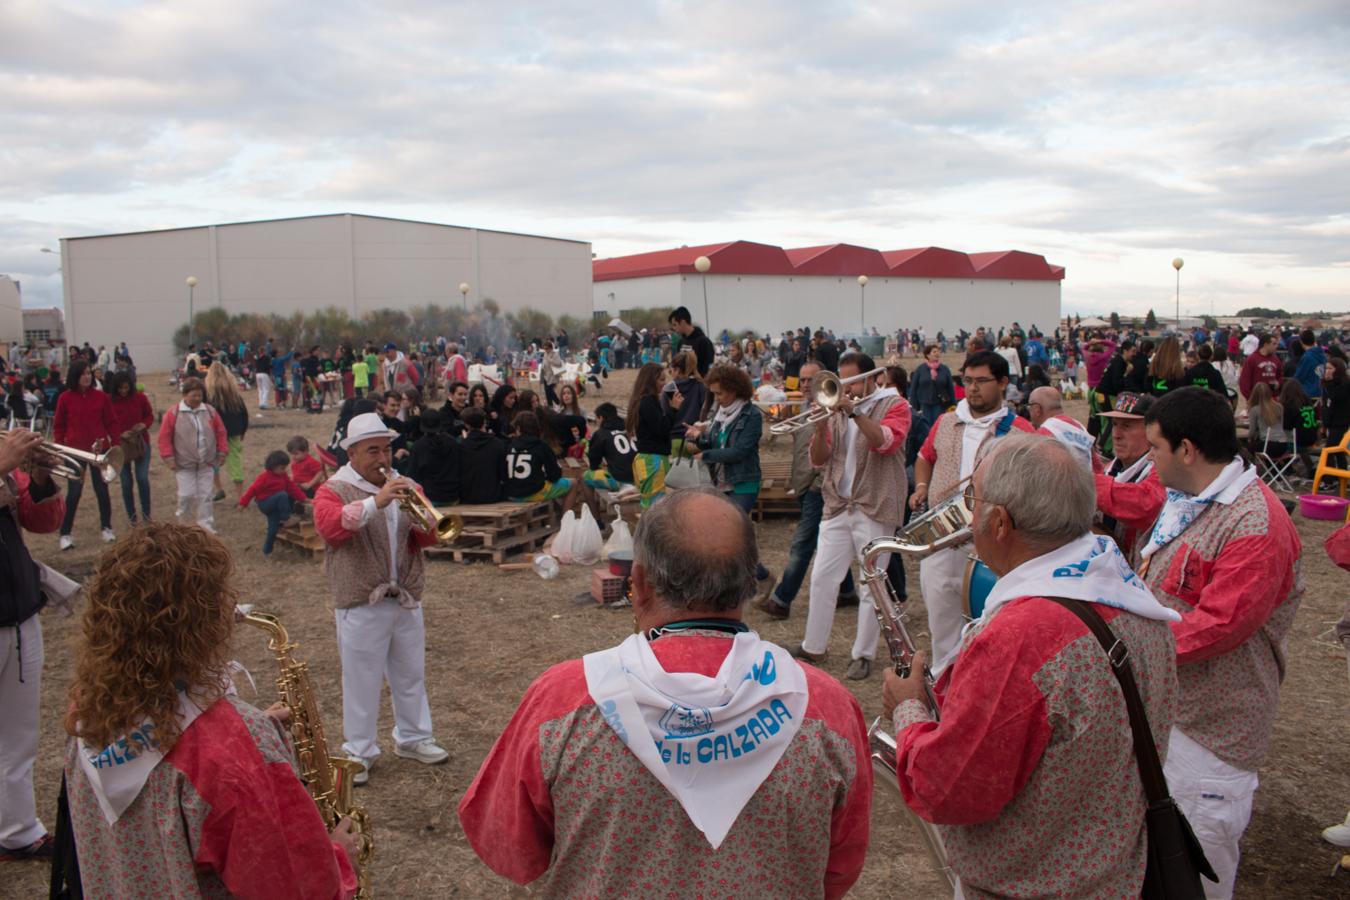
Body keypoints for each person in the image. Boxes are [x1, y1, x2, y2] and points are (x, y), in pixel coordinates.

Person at [458, 489, 872, 896]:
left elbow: (511, 849)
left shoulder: (562, 700)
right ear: (749, 583)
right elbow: (838, 869)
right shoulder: (826, 706)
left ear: (638, 582)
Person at [883, 434, 1181, 897]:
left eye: (972, 500)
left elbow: (947, 790)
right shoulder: (1132, 594)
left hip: (1033, 883)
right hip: (1115, 873)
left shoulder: (1020, 638)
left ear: (1000, 522)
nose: (968, 514)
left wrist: (908, 710)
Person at [60, 523, 360, 897]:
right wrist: (338, 856)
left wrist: (247, 734)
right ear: (204, 619)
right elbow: (294, 887)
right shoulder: (234, 751)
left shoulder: (89, 708)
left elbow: (153, 757)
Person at [1139, 387, 1303, 896]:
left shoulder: (1254, 524)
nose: (1149, 459)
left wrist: (1130, 646)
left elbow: (1218, 626)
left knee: (1194, 875)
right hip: (1175, 716)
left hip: (1212, 738)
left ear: (1187, 450)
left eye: (1155, 448)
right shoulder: (1191, 502)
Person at [312, 412, 449, 784]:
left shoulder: (405, 484)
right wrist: (378, 502)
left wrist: (426, 519)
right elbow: (330, 527)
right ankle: (359, 750)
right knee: (361, 679)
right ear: (352, 453)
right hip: (361, 599)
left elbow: (425, 538)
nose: (383, 459)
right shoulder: (335, 488)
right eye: (373, 451)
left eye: (386, 450)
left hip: (404, 594)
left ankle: (414, 737)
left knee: (410, 674)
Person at [912, 350, 1034, 672]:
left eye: (982, 381)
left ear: (1004, 382)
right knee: (942, 631)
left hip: (993, 550)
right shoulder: (945, 421)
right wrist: (922, 487)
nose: (973, 388)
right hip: (941, 541)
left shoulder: (1022, 431)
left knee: (991, 633)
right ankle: (944, 693)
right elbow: (925, 457)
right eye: (967, 381)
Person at [793, 352, 912, 681]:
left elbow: (885, 442)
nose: (845, 388)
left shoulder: (895, 405)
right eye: (841, 381)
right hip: (838, 504)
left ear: (873, 378)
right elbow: (819, 459)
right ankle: (813, 646)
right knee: (821, 577)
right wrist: (819, 429)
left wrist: (855, 411)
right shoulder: (835, 411)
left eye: (853, 381)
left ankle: (863, 654)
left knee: (871, 584)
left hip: (875, 504)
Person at [0, 429, 63, 864]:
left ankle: (19, 831)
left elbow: (42, 522)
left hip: (18, 611)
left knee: (19, 737)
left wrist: (38, 477)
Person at [754, 362, 857, 620]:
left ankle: (781, 600)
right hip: (803, 484)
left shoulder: (835, 410)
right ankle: (847, 592)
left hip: (818, 488)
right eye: (802, 380)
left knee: (802, 544)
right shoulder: (803, 408)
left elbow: (838, 452)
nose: (806, 384)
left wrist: (817, 483)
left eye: (812, 379)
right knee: (824, 543)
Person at [683, 364, 775, 593]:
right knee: (729, 535)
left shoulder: (751, 415)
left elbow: (740, 451)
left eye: (719, 393)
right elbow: (715, 443)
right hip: (722, 482)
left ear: (734, 389)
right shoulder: (720, 415)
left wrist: (706, 454)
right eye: (714, 393)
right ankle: (754, 577)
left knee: (731, 533)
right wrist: (699, 439)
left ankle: (757, 577)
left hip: (744, 482)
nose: (716, 398)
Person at [52, 359, 115, 549]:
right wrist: (58, 448)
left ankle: (106, 527)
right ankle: (65, 534)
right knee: (74, 493)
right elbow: (59, 426)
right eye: (83, 374)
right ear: (75, 376)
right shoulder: (65, 398)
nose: (87, 377)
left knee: (102, 490)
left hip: (99, 451)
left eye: (89, 373)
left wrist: (116, 445)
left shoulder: (101, 397)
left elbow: (111, 422)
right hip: (75, 452)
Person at [1093, 392, 1164, 556]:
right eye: (1115, 424)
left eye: (1127, 426)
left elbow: (1145, 504)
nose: (1116, 434)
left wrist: (1085, 483)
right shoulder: (1110, 467)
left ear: (1151, 430)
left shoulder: (1161, 470)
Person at [158, 377, 228, 533]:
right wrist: (169, 458)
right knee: (186, 495)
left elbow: (221, 432)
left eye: (200, 395)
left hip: (207, 463)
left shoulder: (210, 411)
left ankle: (206, 525)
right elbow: (164, 437)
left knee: (206, 495)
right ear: (185, 395)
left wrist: (222, 451)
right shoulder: (173, 414)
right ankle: (184, 525)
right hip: (184, 464)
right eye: (194, 395)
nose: (197, 398)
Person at [503, 411, 591, 514]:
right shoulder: (541, 445)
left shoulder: (509, 445)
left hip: (511, 494)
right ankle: (565, 519)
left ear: (518, 429)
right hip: (533, 492)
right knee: (573, 483)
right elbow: (554, 475)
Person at [626, 362, 684, 508]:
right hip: (653, 460)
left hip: (648, 459)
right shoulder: (647, 401)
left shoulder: (642, 400)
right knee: (655, 508)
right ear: (650, 381)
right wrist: (673, 409)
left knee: (650, 505)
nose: (664, 384)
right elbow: (661, 428)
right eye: (661, 379)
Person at [238, 449, 308, 556]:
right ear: (273, 466)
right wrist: (243, 503)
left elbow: (292, 487)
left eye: (285, 468)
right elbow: (252, 490)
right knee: (282, 495)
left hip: (276, 506)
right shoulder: (264, 477)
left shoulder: (283, 476)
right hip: (265, 503)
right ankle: (286, 517)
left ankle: (267, 550)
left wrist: (304, 498)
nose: (284, 471)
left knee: (273, 528)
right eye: (282, 468)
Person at [106, 370, 153, 524]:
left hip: (141, 444)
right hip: (121, 447)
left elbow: (149, 415)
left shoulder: (140, 398)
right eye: (120, 388)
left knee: (142, 478)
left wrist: (143, 425)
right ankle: (132, 518)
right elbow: (106, 422)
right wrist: (119, 434)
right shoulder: (109, 402)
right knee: (126, 483)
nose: (123, 391)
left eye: (126, 387)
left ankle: (147, 515)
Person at [205, 362, 249, 501]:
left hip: (214, 433)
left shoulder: (208, 394)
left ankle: (219, 489)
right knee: (235, 463)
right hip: (234, 431)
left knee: (211, 462)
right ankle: (240, 495)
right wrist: (242, 431)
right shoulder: (234, 393)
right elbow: (244, 413)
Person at [1026, 386, 1094, 471]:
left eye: (1029, 407)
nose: (1029, 412)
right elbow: (1096, 466)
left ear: (1037, 409)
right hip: (1088, 481)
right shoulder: (1079, 427)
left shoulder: (1043, 435)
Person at [406, 409, 460, 505]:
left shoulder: (418, 446)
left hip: (430, 497)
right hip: (452, 496)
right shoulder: (452, 442)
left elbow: (412, 475)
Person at [582, 402, 636, 491]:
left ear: (601, 418)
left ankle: (592, 505)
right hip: (639, 476)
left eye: (596, 419)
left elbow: (594, 464)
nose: (597, 423)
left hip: (620, 480)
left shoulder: (601, 433)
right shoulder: (628, 429)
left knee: (585, 477)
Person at [457, 408, 507, 504]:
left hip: (468, 496)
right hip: (493, 495)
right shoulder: (497, 443)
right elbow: (503, 473)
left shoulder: (461, 446)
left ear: (467, 425)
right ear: (484, 422)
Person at [908, 344, 955, 428]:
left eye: (938, 351)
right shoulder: (920, 369)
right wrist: (913, 405)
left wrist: (953, 404)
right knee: (925, 427)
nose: (937, 353)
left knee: (937, 426)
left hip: (940, 404)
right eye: (934, 352)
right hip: (924, 404)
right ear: (927, 355)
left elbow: (950, 387)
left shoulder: (944, 369)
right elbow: (914, 388)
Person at [668, 306, 714, 377]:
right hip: (682, 385)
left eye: (675, 325)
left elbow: (709, 368)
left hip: (699, 385)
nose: (674, 328)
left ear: (683, 322)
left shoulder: (704, 342)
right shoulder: (681, 342)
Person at [1246, 382, 1287, 458]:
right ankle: (1273, 469)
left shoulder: (1255, 410)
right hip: (1283, 444)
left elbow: (1252, 432)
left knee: (1246, 448)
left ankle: (1252, 468)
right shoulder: (1279, 407)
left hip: (1268, 445)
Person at [1238, 333, 1281, 403]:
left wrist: (1278, 384)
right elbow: (1244, 380)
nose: (1276, 346)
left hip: (1272, 399)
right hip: (1256, 400)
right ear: (1266, 344)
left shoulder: (1276, 360)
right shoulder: (1252, 359)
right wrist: (1250, 397)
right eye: (1274, 344)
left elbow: (1280, 376)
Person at [1294, 329, 1325, 399]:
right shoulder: (1322, 355)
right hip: (1321, 392)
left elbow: (1299, 376)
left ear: (1301, 342)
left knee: (1307, 410)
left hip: (1308, 394)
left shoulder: (1307, 357)